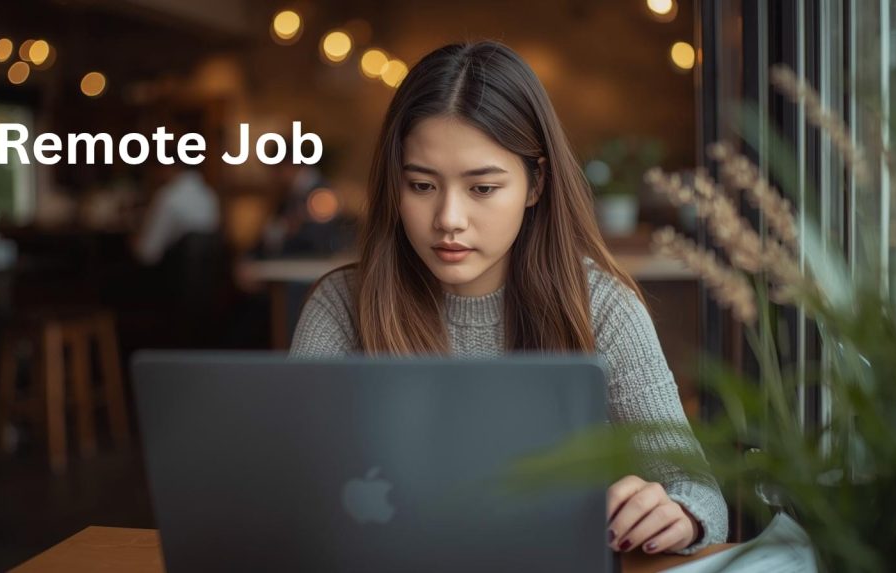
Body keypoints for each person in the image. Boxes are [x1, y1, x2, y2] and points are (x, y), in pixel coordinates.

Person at [289, 41, 728, 556]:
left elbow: (701, 495)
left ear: (535, 183)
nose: (448, 218)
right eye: (422, 185)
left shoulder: (602, 308)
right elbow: (284, 487)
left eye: (482, 189)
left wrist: (679, 516)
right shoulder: (342, 304)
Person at [132, 163, 220, 265]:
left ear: (172, 168)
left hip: (171, 274)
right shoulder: (210, 195)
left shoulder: (169, 196)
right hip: (207, 275)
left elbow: (148, 252)